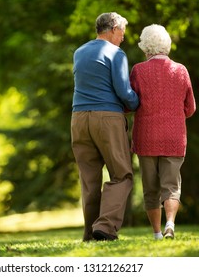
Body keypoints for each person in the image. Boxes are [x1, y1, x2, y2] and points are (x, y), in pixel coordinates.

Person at [71, 12, 139, 242]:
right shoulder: (116, 53)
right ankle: (106, 227)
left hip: (79, 119)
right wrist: (137, 102)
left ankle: (90, 233)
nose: (123, 38)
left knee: (89, 179)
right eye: (122, 32)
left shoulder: (79, 52)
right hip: (107, 118)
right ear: (112, 29)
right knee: (122, 174)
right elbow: (124, 92)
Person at [130, 24, 196, 240]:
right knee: (171, 186)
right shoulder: (181, 70)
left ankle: (157, 234)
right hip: (174, 137)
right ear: (166, 44)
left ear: (145, 46)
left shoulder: (138, 70)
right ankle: (170, 223)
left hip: (146, 137)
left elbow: (131, 102)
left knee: (151, 190)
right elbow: (190, 108)